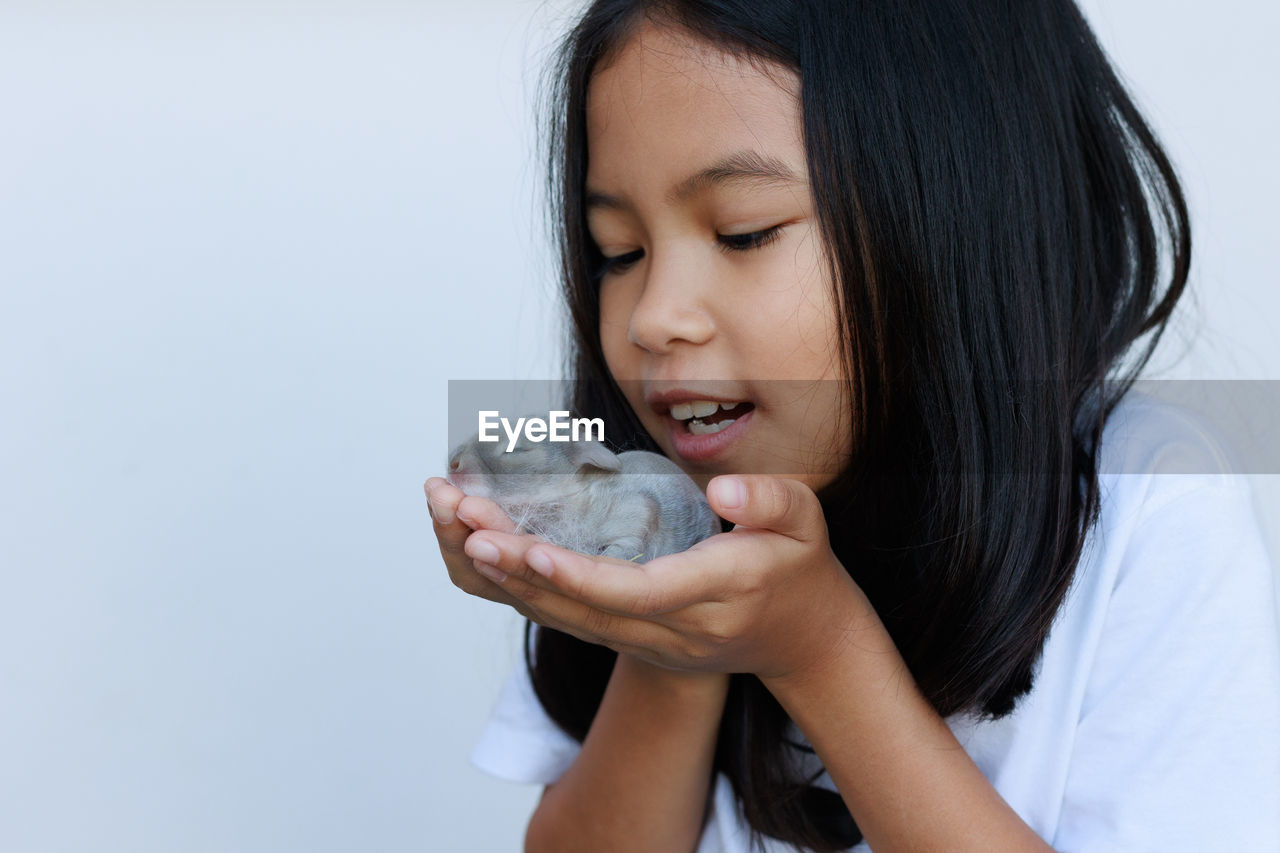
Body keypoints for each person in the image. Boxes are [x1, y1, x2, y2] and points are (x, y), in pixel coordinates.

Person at [425, 1, 1280, 850]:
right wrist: (672, 637)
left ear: (962, 211)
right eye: (618, 249)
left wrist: (819, 649)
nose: (655, 317)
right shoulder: (641, 502)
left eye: (744, 232)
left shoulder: (1153, 501)